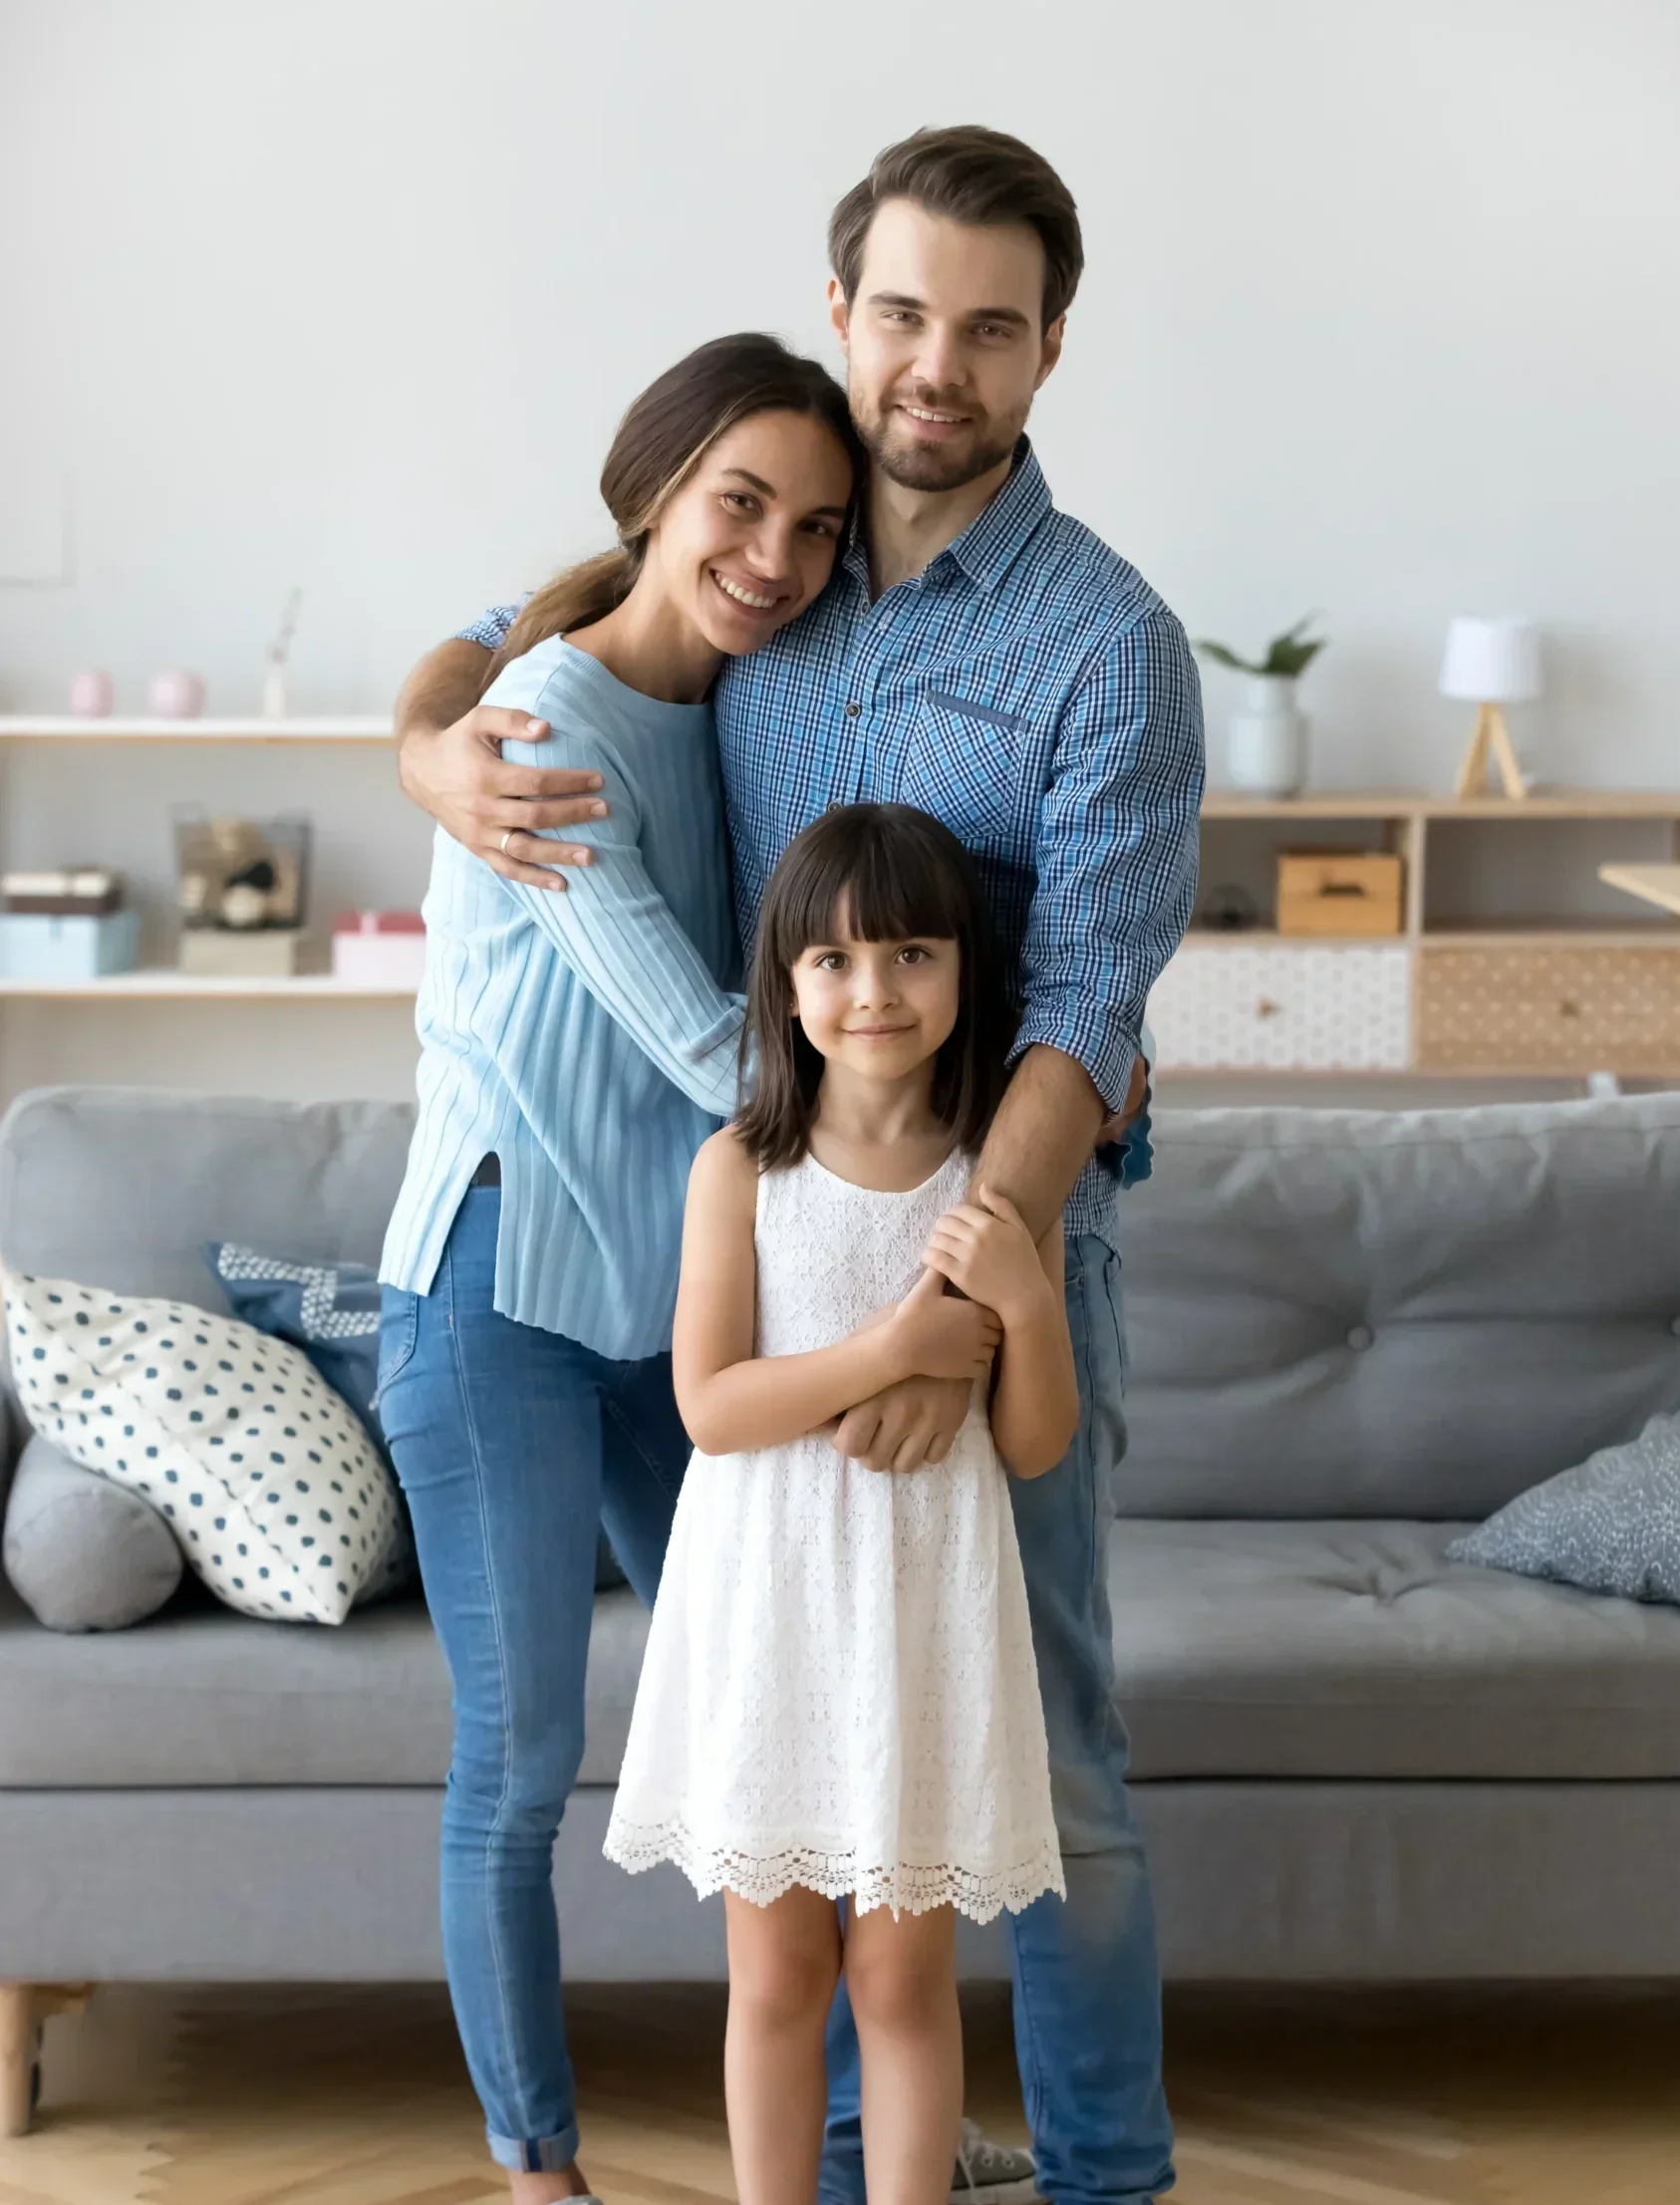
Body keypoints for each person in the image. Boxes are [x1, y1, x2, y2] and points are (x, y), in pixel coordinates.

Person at [395, 127, 1205, 2205]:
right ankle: (855, 2167)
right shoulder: (781, 553)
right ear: (844, 314)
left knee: (1055, 1761)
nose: (941, 361)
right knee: (814, 1754)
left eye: (992, 327)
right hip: (771, 1246)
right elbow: (520, 629)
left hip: (996, 1244)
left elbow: (1089, 1004)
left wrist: (968, 1279)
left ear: (1046, 355)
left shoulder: (1109, 644)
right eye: (907, 313)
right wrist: (421, 743)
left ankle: (1110, 2171)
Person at [376, 332, 871, 2202]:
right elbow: (685, 1030)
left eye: (815, 529)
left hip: (670, 1318)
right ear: (656, 490)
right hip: (493, 1296)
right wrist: (957, 1124)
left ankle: (844, 2139)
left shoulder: (749, 689)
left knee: (778, 1725)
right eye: (739, 505)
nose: (772, 556)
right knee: (523, 1765)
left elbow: (476, 614)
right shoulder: (544, 726)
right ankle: (537, 2169)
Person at [607, 802, 1074, 2205]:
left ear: (961, 973)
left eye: (912, 955)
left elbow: (1035, 1442)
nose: (873, 993)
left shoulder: (997, 1182)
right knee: (778, 1971)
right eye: (835, 962)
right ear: (786, 983)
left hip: (925, 1605)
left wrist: (1021, 1301)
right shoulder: (739, 1171)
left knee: (899, 1969)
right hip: (770, 1603)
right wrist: (892, 1347)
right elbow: (711, 1407)